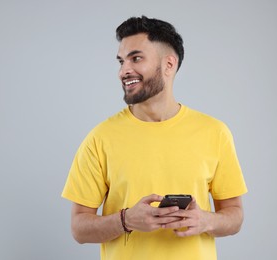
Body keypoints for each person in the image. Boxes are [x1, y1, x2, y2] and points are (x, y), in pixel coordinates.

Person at [61, 15, 247, 260]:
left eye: (136, 58)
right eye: (121, 61)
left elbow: (234, 216)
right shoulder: (100, 138)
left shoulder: (215, 132)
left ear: (169, 64)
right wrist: (126, 220)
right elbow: (79, 229)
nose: (123, 71)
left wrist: (206, 220)